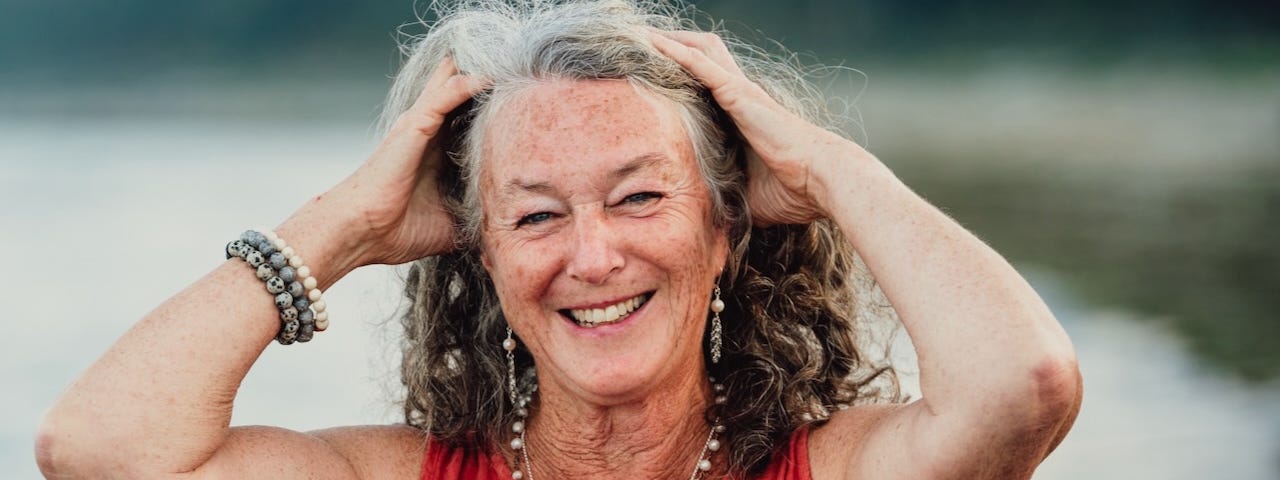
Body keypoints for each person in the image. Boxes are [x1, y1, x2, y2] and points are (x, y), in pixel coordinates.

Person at [35, 0, 1082, 478]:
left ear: (726, 230)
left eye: (637, 199)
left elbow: (1022, 384)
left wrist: (825, 170)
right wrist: (346, 224)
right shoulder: (409, 475)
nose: (591, 257)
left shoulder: (831, 467)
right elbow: (98, 451)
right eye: (535, 215)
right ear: (482, 259)